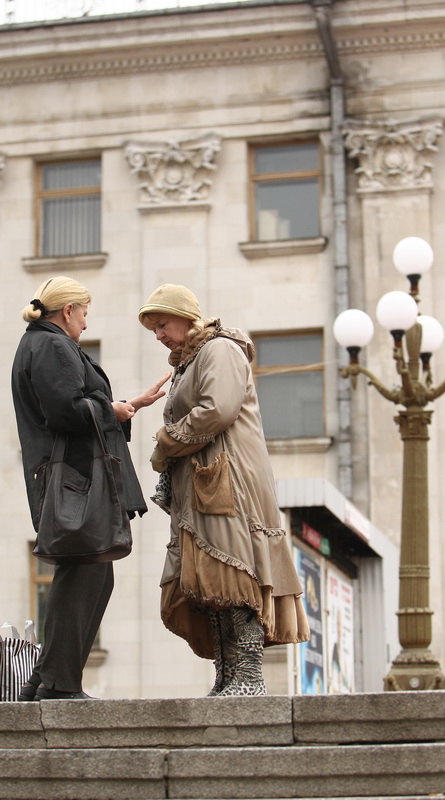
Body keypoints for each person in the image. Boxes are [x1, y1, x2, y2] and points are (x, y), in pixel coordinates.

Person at [139, 284, 310, 696]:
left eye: (162, 324)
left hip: (230, 483)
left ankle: (248, 676)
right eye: (154, 329)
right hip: (203, 484)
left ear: (185, 317)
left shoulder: (219, 349)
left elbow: (218, 409)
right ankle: (228, 673)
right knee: (210, 581)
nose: (158, 335)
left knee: (235, 573)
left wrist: (165, 441)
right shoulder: (190, 361)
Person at [12, 276, 170, 700]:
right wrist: (113, 410)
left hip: (74, 475)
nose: (85, 321)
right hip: (76, 478)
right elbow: (66, 410)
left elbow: (74, 406)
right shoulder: (52, 345)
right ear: (68, 311)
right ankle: (57, 684)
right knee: (85, 574)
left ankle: (46, 680)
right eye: (84, 313)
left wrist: (128, 406)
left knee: (93, 575)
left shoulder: (42, 344)